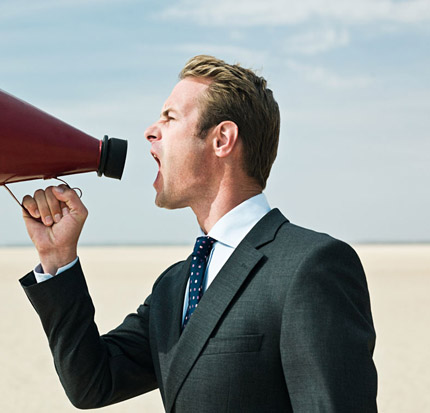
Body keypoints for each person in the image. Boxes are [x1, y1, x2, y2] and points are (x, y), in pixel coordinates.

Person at [19, 55, 377, 412]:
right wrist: (58, 258)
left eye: (170, 117)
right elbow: (93, 383)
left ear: (222, 139)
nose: (150, 131)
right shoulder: (175, 286)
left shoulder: (309, 267)